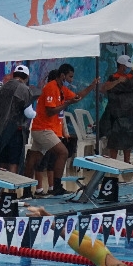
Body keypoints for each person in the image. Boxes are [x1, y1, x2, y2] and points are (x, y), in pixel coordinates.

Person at [25, 63, 97, 195]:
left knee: (34, 157)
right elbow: (50, 112)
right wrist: (66, 103)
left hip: (46, 129)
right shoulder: (51, 87)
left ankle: (26, 190)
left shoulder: (62, 89)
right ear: (62, 75)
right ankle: (56, 187)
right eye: (70, 77)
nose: (71, 80)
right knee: (62, 153)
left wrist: (92, 86)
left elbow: (77, 97)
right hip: (43, 129)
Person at [0, 65, 37, 173]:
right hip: (15, 131)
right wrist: (36, 114)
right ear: (27, 77)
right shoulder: (24, 89)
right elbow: (28, 113)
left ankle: (0, 189)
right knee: (13, 162)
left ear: (14, 75)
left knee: (2, 160)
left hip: (0, 130)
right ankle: (11, 189)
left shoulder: (2, 88)